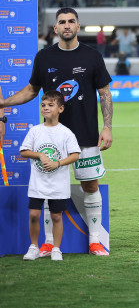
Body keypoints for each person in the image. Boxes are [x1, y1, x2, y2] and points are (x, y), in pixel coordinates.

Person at [0, 7, 113, 256]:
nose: (67, 25)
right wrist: (4, 103)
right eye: (62, 22)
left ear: (78, 26)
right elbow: (31, 90)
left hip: (86, 135)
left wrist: (107, 126)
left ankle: (95, 240)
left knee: (90, 186)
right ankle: (50, 242)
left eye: (71, 21)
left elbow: (104, 93)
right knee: (50, 190)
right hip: (51, 137)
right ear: (55, 28)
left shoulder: (92, 56)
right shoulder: (44, 57)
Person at [20, 91, 80, 261]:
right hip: (38, 183)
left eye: (50, 105)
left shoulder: (66, 133)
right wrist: (39, 155)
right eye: (43, 105)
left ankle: (56, 248)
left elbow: (75, 155)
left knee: (56, 216)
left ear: (60, 108)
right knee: (34, 215)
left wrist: (58, 163)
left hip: (57, 184)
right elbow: (24, 151)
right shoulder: (35, 131)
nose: (45, 108)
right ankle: (33, 247)